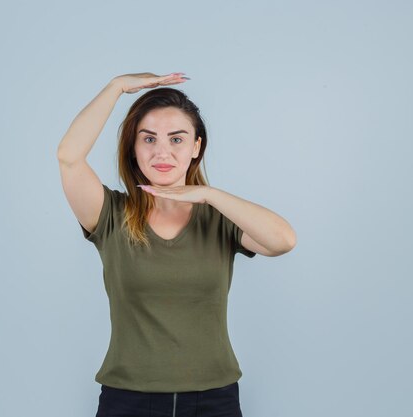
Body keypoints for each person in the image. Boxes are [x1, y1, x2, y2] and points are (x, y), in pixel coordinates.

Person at [56, 72, 296, 417]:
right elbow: (69, 157)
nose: (162, 152)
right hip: (127, 399)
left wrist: (209, 194)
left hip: (214, 400)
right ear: (133, 149)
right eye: (149, 139)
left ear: (197, 146)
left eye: (177, 139)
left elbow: (283, 241)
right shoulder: (111, 214)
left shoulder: (220, 218)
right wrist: (116, 87)